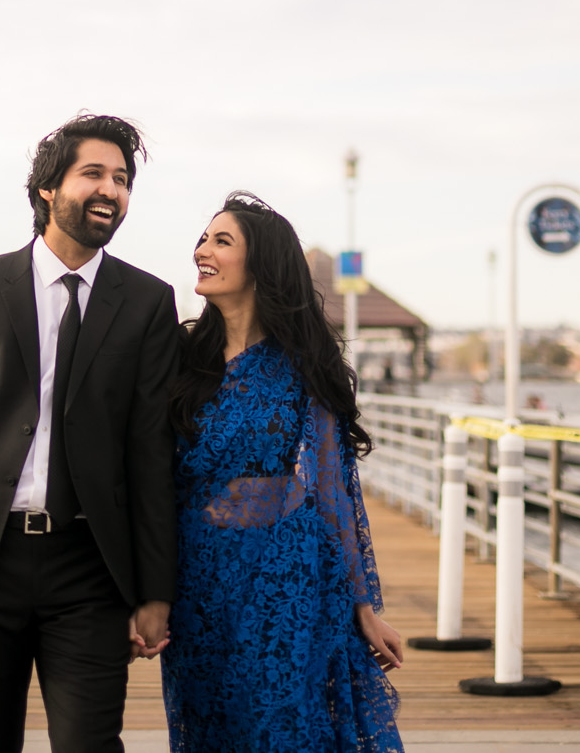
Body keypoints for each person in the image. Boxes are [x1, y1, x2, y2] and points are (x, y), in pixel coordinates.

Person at [0, 114, 180, 753]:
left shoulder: (146, 302)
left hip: (91, 568)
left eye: (123, 179)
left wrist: (155, 591)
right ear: (48, 189)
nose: (112, 189)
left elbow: (150, 455)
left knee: (89, 744)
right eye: (94, 174)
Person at [162, 192, 405, 753]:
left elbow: (334, 492)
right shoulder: (179, 356)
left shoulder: (303, 365)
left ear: (261, 265)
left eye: (222, 241)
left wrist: (362, 606)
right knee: (207, 726)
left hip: (286, 578)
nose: (203, 249)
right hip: (196, 581)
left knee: (279, 724)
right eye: (204, 237)